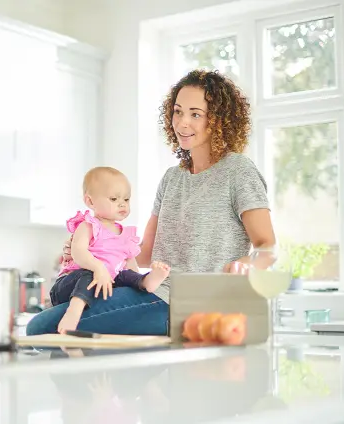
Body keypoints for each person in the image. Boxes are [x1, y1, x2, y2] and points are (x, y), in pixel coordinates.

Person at [25, 69, 275, 336]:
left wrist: (246, 264)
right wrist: (91, 248)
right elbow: (144, 253)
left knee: (41, 327)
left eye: (195, 114)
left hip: (185, 304)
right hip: (153, 290)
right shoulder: (172, 178)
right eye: (178, 112)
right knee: (62, 309)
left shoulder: (238, 171)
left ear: (218, 120)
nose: (182, 123)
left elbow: (268, 247)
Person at [50, 167, 172, 334]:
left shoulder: (126, 235)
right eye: (114, 199)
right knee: (90, 273)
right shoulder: (88, 225)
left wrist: (137, 281)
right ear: (90, 202)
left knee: (125, 276)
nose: (122, 204)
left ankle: (147, 282)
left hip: (102, 286)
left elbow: (131, 265)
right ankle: (74, 310)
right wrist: (99, 268)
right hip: (70, 285)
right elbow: (78, 253)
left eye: (126, 199)